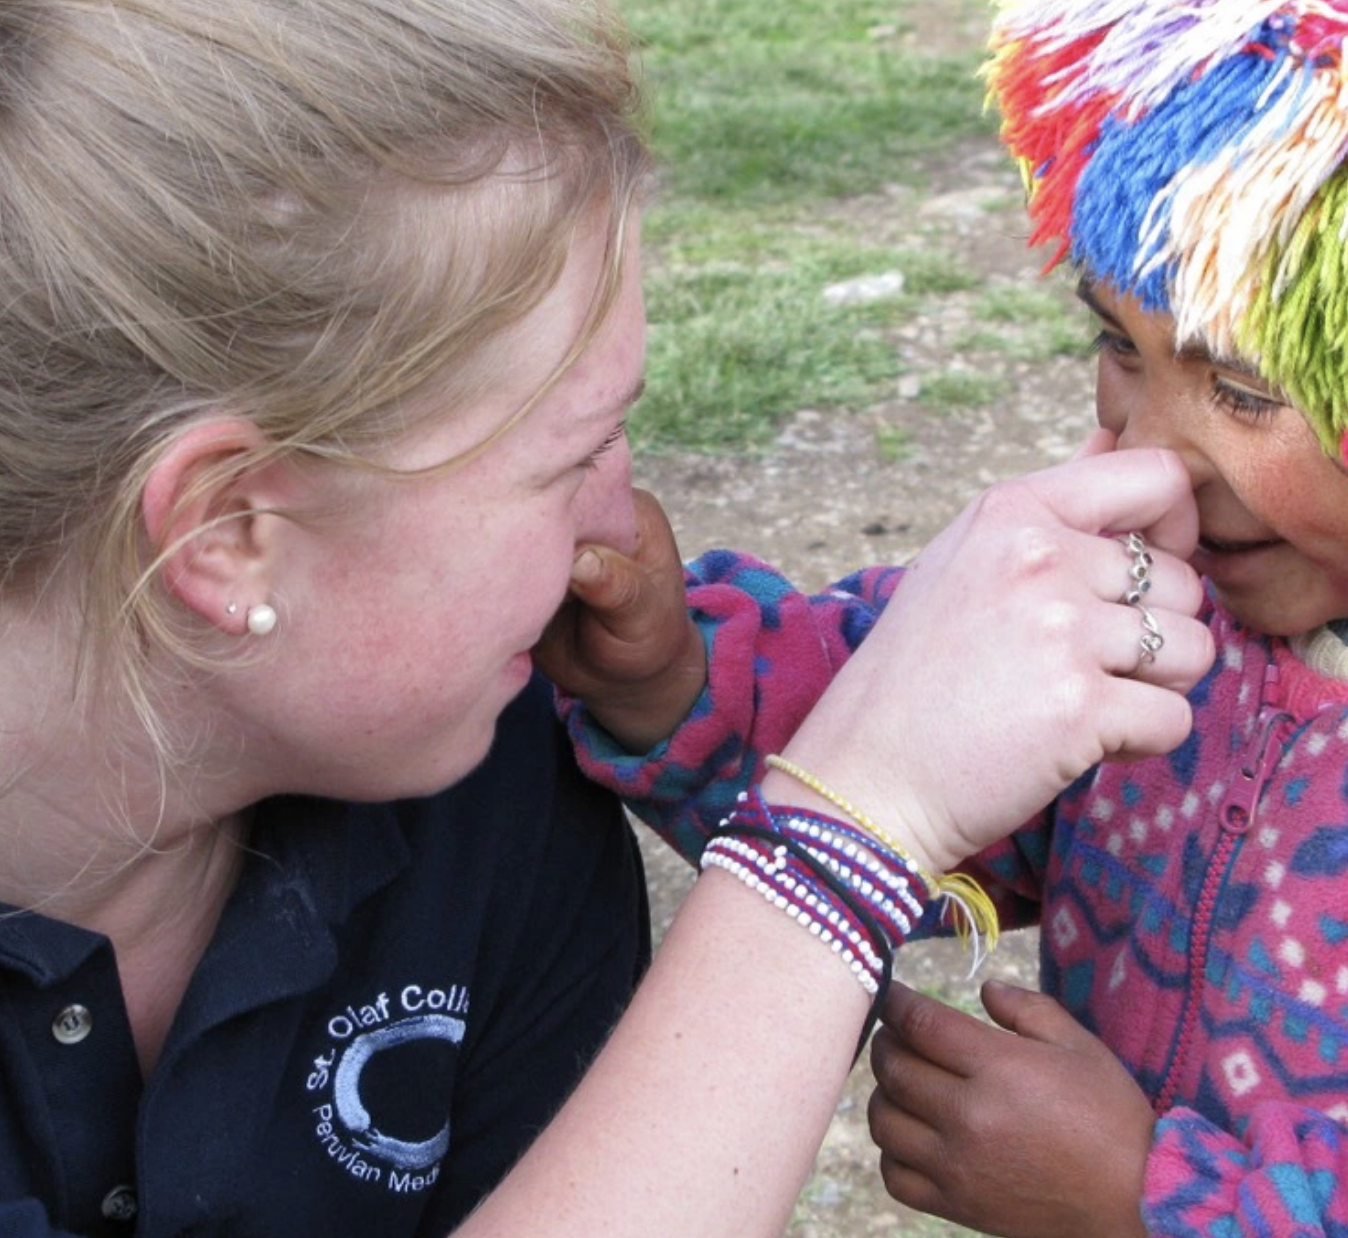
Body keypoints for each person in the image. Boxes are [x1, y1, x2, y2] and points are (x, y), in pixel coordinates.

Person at [0, 1, 1213, 1236]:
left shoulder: (484, 798)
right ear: (223, 533)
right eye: (568, 454)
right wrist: (843, 831)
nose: (619, 519)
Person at [541, 3, 1348, 1236]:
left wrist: (1143, 1201)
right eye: (1116, 341)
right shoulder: (1138, 600)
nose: (1148, 447)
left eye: (1240, 388)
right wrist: (674, 678)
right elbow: (909, 736)